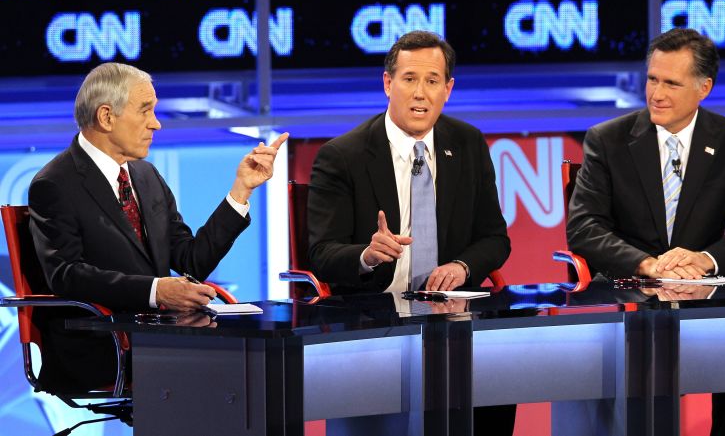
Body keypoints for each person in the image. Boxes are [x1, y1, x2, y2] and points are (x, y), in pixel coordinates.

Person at [567, 28, 725, 436]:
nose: (656, 93)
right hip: (632, 294)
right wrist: (648, 264)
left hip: (705, 293)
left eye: (671, 83)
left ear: (704, 88)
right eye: (652, 79)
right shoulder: (607, 140)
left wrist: (706, 260)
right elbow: (583, 228)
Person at [28, 62, 288, 391]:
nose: (157, 124)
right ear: (107, 117)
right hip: (101, 345)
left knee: (258, 367)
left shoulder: (146, 176)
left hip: (159, 335)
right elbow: (66, 275)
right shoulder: (55, 184)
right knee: (232, 380)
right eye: (146, 110)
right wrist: (157, 290)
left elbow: (192, 261)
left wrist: (241, 190)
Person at [306, 31, 513, 435]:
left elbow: (495, 238)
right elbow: (322, 253)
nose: (421, 94)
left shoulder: (467, 144)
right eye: (409, 79)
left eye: (432, 81)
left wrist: (461, 265)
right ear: (388, 84)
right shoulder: (342, 157)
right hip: (373, 318)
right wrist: (366, 255)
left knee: (505, 369)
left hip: (451, 316)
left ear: (448, 89)